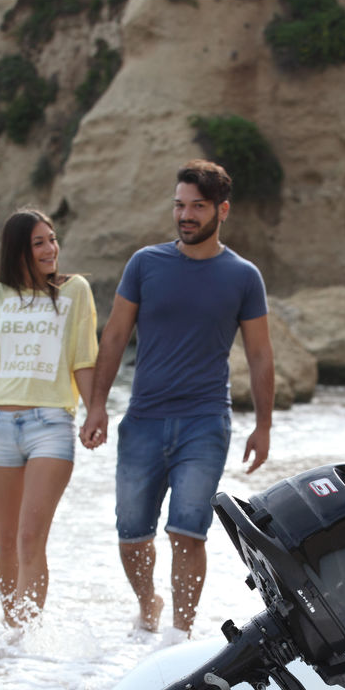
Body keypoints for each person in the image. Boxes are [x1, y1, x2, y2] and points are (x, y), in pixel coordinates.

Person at [80, 159, 275, 644]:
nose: (185, 215)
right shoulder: (145, 264)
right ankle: (148, 603)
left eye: (197, 206)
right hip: (143, 419)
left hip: (205, 422)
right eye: (179, 205)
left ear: (222, 210)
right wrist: (97, 406)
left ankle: (178, 636)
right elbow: (115, 336)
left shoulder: (243, 276)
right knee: (132, 534)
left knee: (188, 530)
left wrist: (263, 425)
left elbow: (259, 354)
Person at [0, 208, 98, 628]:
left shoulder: (75, 291)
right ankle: (13, 634)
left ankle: (30, 635)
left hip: (51, 426)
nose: (51, 249)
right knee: (6, 540)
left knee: (31, 537)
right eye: (39, 243)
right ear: (18, 251)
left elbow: (84, 359)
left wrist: (94, 412)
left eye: (53, 239)